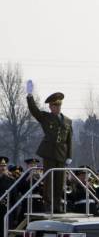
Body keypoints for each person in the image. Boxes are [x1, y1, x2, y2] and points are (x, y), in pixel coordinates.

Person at [25, 83, 73, 213]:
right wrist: (30, 97)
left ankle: (57, 205)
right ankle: (48, 204)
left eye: (59, 105)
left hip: (62, 154)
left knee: (59, 180)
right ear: (50, 107)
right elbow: (34, 110)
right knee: (49, 180)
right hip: (49, 152)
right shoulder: (46, 117)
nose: (57, 107)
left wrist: (69, 156)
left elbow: (69, 140)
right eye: (54, 105)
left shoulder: (68, 121)